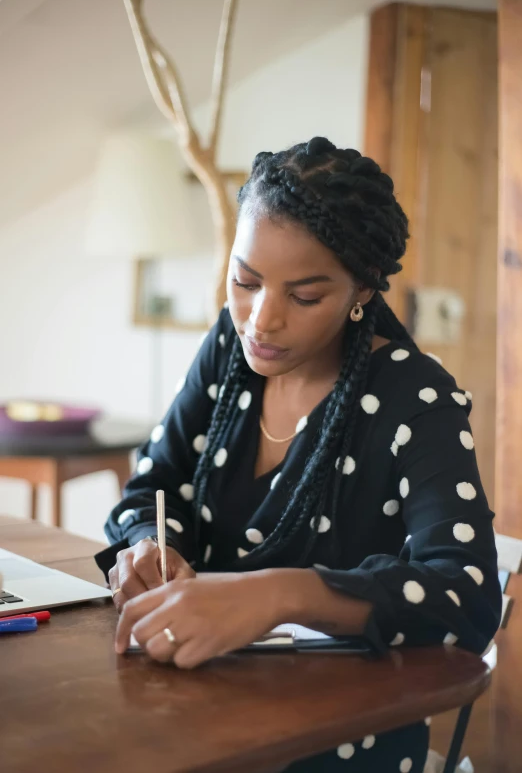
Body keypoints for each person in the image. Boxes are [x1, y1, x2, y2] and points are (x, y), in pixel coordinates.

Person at [95, 137, 501, 772]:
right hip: (190, 712)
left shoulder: (416, 401)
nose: (262, 319)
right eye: (245, 281)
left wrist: (279, 595)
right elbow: (154, 481)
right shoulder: (231, 351)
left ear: (361, 290)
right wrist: (149, 546)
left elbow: (468, 598)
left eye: (305, 296)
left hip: (332, 740)